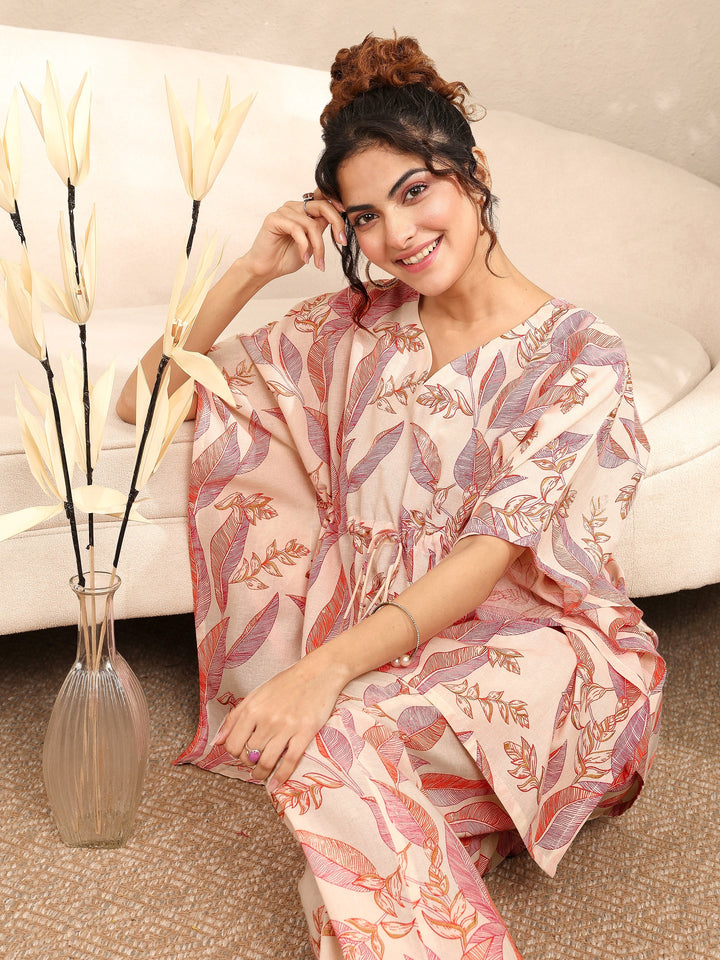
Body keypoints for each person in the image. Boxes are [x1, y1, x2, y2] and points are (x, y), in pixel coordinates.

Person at [118, 34, 665, 960]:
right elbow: (147, 400)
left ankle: (535, 777)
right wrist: (252, 270)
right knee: (351, 790)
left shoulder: (580, 357)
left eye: (416, 192)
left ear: (473, 172)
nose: (399, 236)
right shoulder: (357, 328)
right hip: (395, 662)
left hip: (535, 664)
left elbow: (485, 559)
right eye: (367, 217)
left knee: (329, 734)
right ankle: (472, 821)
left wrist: (320, 670)